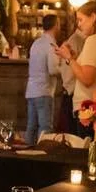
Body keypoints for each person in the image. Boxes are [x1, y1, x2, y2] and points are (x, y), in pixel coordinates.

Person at [58, 1, 96, 135]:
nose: (79, 25)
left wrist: (69, 58)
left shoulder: (94, 40)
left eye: (81, 20)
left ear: (93, 17)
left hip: (89, 108)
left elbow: (87, 79)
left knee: (85, 153)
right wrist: (74, 58)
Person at [24, 14, 62, 145]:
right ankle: (43, 154)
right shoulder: (51, 45)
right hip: (44, 91)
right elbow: (53, 70)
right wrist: (65, 66)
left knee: (31, 127)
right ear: (56, 25)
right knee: (45, 128)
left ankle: (27, 154)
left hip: (31, 91)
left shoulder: (36, 43)